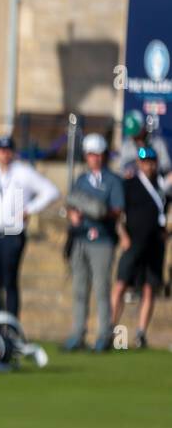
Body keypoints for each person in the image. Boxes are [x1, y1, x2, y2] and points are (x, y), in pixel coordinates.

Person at [0, 136, 59, 316]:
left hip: (12, 234)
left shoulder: (24, 172)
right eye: (1, 150)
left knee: (9, 282)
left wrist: (29, 209)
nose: (4, 154)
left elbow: (51, 191)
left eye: (7, 150)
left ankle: (11, 328)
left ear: (12, 152)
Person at [63, 134, 124, 352]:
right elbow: (71, 203)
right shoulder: (81, 180)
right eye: (90, 155)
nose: (94, 159)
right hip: (80, 239)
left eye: (98, 155)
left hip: (102, 240)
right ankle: (78, 333)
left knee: (101, 289)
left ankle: (104, 336)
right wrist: (73, 214)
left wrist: (98, 211)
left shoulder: (112, 181)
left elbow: (117, 210)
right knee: (79, 289)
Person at [111, 145, 169, 349]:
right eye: (145, 162)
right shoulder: (129, 184)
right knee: (121, 285)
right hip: (133, 242)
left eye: (152, 162)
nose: (149, 166)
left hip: (154, 243)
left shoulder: (162, 185)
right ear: (138, 163)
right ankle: (110, 328)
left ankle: (141, 333)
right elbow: (117, 213)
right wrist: (123, 235)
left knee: (149, 288)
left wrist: (167, 232)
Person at [117, 112, 172, 181]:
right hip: (132, 184)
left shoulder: (158, 143)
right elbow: (121, 168)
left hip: (154, 184)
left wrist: (150, 168)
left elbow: (166, 167)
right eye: (131, 132)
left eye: (135, 131)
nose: (133, 136)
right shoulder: (126, 146)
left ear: (143, 127)